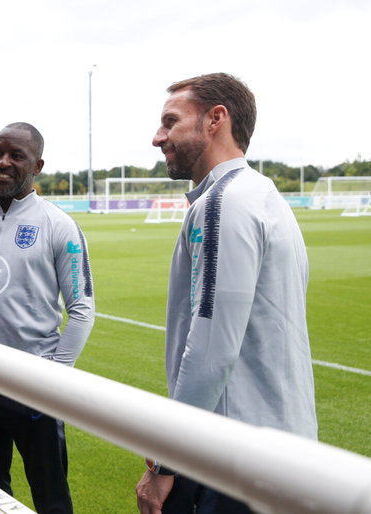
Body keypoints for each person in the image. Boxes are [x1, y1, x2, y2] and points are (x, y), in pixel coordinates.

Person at [136, 73, 318, 514]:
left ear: (216, 119)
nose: (157, 137)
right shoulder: (265, 196)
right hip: (281, 450)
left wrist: (164, 463)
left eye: (170, 121)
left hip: (236, 459)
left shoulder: (225, 202)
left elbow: (211, 352)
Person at [0, 122, 95, 513]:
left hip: (33, 384)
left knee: (51, 497)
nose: (3, 163)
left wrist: (53, 377)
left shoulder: (58, 225)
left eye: (16, 156)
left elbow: (81, 309)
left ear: (38, 165)